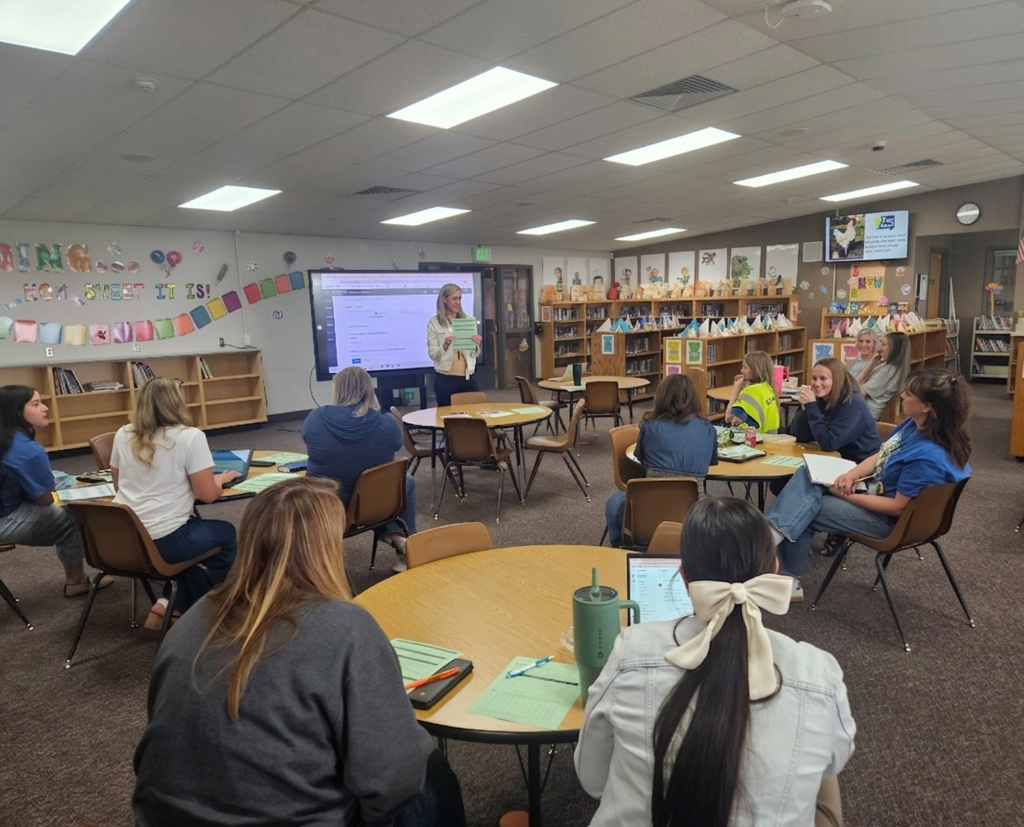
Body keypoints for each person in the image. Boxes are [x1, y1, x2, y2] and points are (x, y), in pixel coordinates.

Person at [133, 477, 465, 827]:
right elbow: (392, 781)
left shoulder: (194, 616)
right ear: (325, 548)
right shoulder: (346, 627)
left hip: (164, 817)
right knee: (431, 771)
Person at [576, 496, 855, 827]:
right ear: (774, 571)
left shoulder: (631, 652)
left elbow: (592, 779)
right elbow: (834, 759)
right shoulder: (820, 675)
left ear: (683, 578)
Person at [767, 368, 971, 602]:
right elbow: (881, 455)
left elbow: (896, 507)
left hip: (890, 522)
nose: (902, 396)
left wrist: (845, 495)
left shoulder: (927, 456)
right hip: (874, 488)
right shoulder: (914, 426)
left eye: (909, 393)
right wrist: (851, 474)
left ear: (927, 406)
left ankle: (782, 567)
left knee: (807, 507)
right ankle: (774, 541)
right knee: (809, 473)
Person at [111, 377, 238, 629]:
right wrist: (220, 479)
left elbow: (119, 484)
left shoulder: (123, 433)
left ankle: (167, 604)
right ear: (175, 403)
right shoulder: (190, 437)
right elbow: (207, 495)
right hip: (165, 540)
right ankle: (184, 608)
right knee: (226, 535)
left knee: (196, 535)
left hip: (122, 539)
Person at [0, 385, 112, 597]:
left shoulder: (7, 438)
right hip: (5, 519)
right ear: (16, 412)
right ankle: (77, 581)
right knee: (71, 515)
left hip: (5, 502)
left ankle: (83, 488)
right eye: (36, 404)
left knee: (60, 476)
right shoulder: (29, 451)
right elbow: (43, 501)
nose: (45, 408)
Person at [302, 366, 415, 572]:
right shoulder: (387, 424)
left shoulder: (316, 418)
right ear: (369, 390)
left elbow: (309, 443)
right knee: (405, 480)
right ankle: (401, 541)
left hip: (326, 507)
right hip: (373, 505)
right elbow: (396, 444)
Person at [604, 374, 717, 548]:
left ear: (662, 396)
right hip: (694, 511)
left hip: (648, 508)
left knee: (613, 504)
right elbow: (709, 464)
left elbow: (641, 459)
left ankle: (622, 547)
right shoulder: (708, 428)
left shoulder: (649, 426)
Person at [427, 283, 482, 407]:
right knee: (448, 418)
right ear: (444, 299)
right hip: (445, 378)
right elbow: (433, 354)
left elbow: (474, 354)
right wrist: (445, 346)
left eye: (460, 298)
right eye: (454, 299)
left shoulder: (468, 320)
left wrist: (476, 344)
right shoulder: (434, 323)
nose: (458, 302)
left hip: (467, 377)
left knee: (474, 415)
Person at [854, 331, 910, 420]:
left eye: (883, 345)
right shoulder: (887, 366)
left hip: (863, 417)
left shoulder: (888, 370)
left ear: (893, 349)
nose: (879, 349)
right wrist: (872, 363)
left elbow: (855, 392)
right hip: (860, 412)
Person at [724, 350, 780, 432]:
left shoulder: (749, 392)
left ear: (756, 370)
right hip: (771, 439)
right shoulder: (769, 388)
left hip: (755, 440)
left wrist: (736, 389)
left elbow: (728, 418)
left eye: (745, 367)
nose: (741, 371)